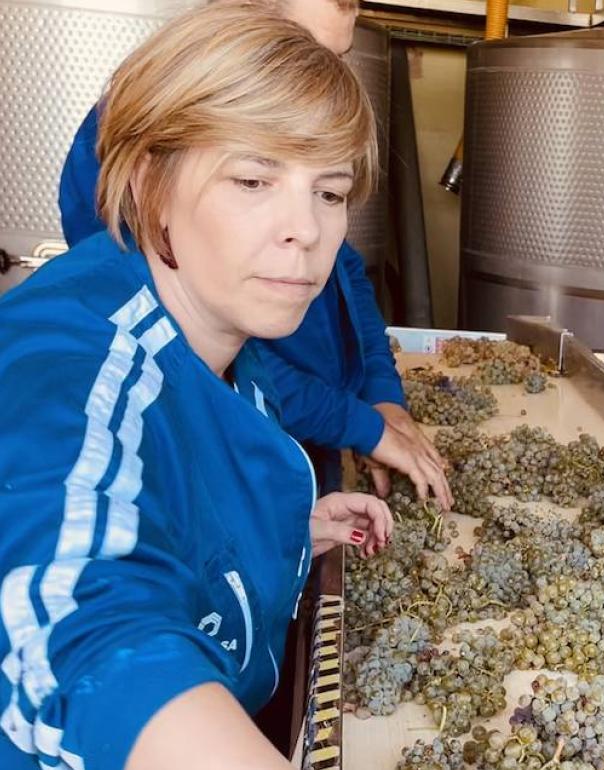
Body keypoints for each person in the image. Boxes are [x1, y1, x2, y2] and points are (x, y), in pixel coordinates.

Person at [0, 5, 395, 768]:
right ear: (150, 184)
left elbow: (166, 501)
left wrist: (285, 533)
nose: (306, 231)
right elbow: (84, 636)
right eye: (253, 179)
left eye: (330, 192)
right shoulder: (71, 365)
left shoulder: (222, 339)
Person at [57, 0, 451, 508]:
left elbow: (346, 274)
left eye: (336, 62)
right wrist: (357, 423)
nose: (305, 231)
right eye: (293, 52)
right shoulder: (93, 424)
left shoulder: (291, 217)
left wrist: (378, 398)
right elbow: (179, 357)